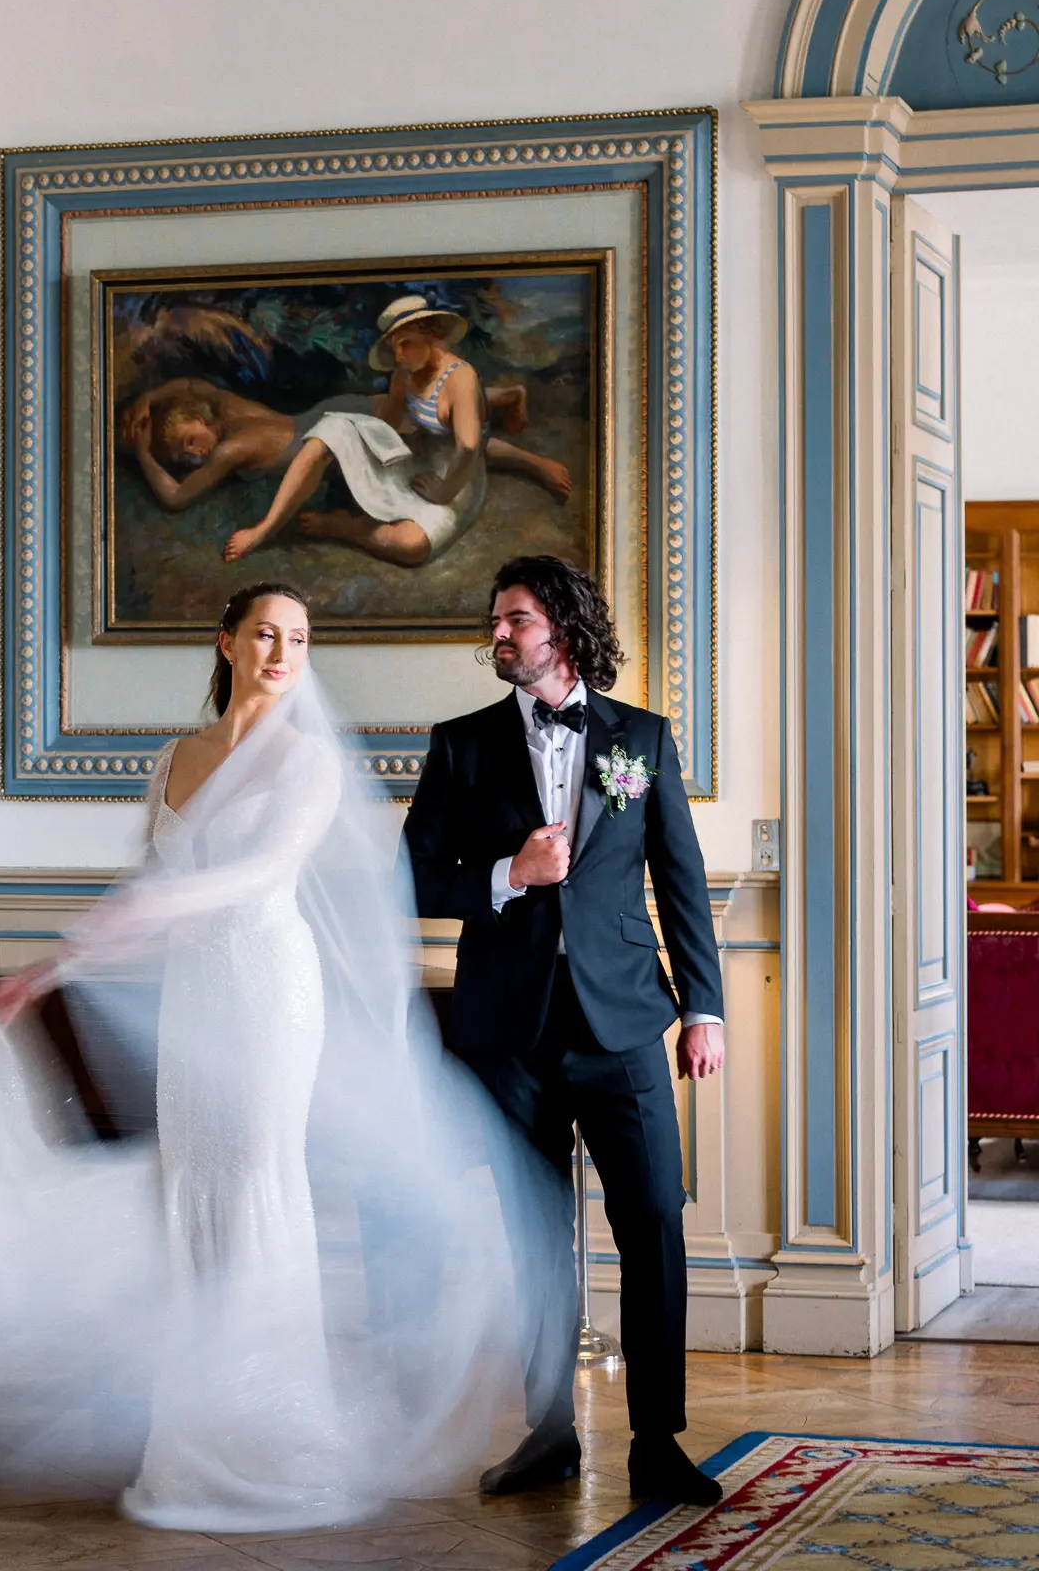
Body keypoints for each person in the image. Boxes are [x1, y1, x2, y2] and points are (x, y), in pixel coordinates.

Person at [0, 583, 562, 1532]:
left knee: (255, 1188)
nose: (283, 653)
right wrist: (45, 972)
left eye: (300, 640)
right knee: (192, 1193)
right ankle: (193, 1439)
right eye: (267, 635)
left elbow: (255, 875)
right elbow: (147, 879)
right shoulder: (176, 757)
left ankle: (276, 1438)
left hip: (269, 993)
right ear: (227, 641)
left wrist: (137, 916)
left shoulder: (308, 761)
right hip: (196, 995)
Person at [401, 554, 727, 1508]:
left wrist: (702, 1010)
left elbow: (682, 885)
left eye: (515, 621)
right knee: (532, 1241)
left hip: (624, 1025)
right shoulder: (460, 746)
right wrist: (509, 873)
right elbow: (412, 881)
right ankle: (548, 1434)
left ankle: (658, 1443)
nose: (498, 636)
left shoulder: (643, 740)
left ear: (565, 632)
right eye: (496, 622)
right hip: (509, 1033)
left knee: (654, 1228)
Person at [123, 367, 570, 524]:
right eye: (185, 458)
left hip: (341, 427)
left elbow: (177, 497)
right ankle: (506, 395)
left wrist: (144, 425)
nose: (194, 456)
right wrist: (151, 410)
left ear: (199, 419)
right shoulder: (225, 409)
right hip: (333, 415)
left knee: (434, 436)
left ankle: (532, 461)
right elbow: (187, 384)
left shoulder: (229, 447)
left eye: (188, 442)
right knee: (430, 420)